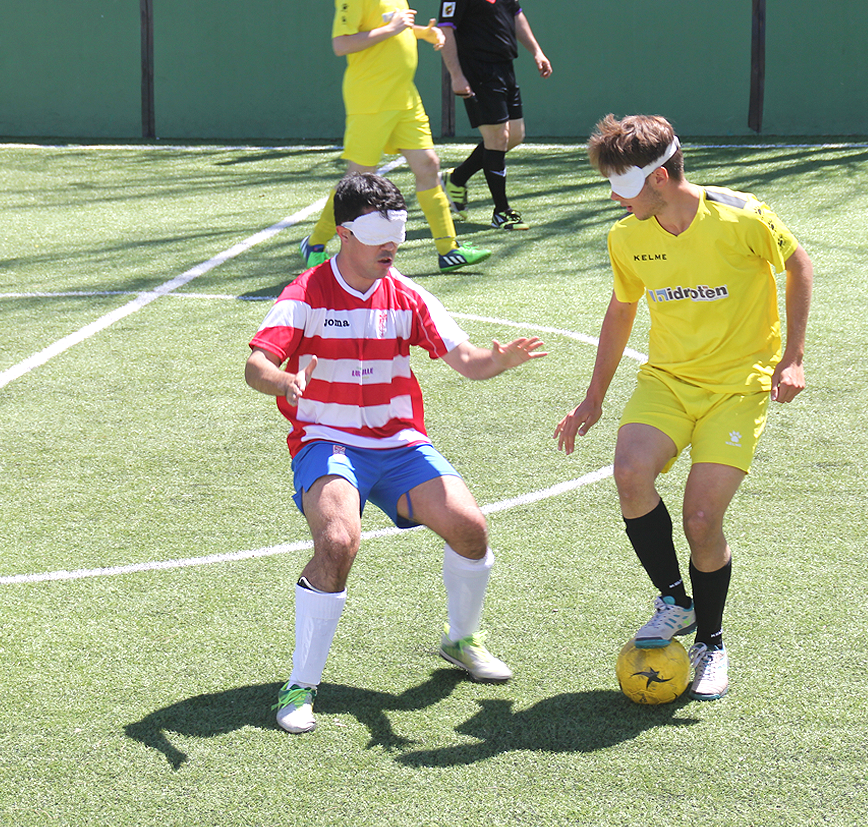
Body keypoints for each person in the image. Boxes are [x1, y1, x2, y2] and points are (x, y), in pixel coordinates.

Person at [248, 173, 546, 733]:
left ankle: (461, 640)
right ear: (344, 233)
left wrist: (497, 360)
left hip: (399, 442)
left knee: (470, 528)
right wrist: (283, 380)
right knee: (338, 541)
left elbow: (467, 360)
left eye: (399, 231)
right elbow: (256, 366)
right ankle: (300, 684)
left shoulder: (408, 295)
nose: (392, 245)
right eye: (378, 232)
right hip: (328, 440)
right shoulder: (307, 291)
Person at [554, 114, 813, 702]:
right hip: (667, 381)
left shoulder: (743, 215)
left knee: (701, 519)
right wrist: (592, 398)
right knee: (629, 473)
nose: (614, 199)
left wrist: (792, 357)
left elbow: (799, 267)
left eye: (622, 186)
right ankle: (675, 600)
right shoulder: (627, 236)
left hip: (738, 387)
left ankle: (712, 642)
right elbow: (621, 311)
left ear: (662, 178)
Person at [299, 1, 492, 275]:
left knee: (428, 164)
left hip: (405, 99)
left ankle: (448, 250)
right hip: (370, 101)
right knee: (358, 178)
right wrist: (391, 28)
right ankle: (315, 244)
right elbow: (341, 44)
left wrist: (422, 32)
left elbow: (399, 29)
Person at [437, 0, 551, 231]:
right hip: (477, 69)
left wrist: (536, 51)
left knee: (514, 136)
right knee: (497, 138)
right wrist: (456, 76)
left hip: (505, 67)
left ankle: (457, 179)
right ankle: (501, 211)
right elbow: (445, 29)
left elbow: (516, 15)